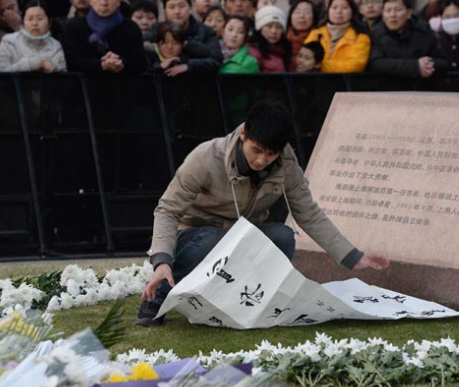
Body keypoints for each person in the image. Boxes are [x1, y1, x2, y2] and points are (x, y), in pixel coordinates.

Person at [136, 100, 390, 326]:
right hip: (197, 235)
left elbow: (308, 213)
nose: (261, 161)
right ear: (244, 134)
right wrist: (161, 261)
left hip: (243, 235)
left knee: (283, 235)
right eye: (256, 150)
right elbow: (167, 210)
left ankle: (259, 302)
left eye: (270, 154)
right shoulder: (206, 158)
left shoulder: (286, 165)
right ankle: (157, 298)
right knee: (211, 239)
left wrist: (350, 255)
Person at [367, 0, 448, 78]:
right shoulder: (376, 34)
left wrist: (427, 65)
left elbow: (443, 62)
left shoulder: (423, 31)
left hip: (420, 88)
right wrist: (414, 66)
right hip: (387, 88)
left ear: (409, 13)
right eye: (388, 10)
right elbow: (376, 63)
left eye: (398, 10)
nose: (392, 15)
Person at [63, 0, 147, 74]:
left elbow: (140, 63)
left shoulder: (131, 28)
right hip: (85, 87)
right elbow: (71, 62)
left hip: (124, 86)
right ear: (91, 1)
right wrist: (101, 65)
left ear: (118, 2)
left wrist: (120, 62)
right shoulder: (74, 27)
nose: (104, 2)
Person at [0, 0, 66, 72]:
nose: (34, 23)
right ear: (23, 22)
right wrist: (29, 64)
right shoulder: (9, 41)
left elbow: (64, 77)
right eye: (30, 19)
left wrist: (54, 68)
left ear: (49, 23)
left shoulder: (55, 46)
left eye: (40, 19)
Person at [304, 0, 371, 73]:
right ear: (328, 11)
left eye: (344, 8)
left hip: (345, 82)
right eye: (334, 7)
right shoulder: (317, 33)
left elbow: (355, 66)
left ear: (352, 11)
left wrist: (320, 65)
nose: (339, 11)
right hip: (315, 81)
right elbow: (305, 59)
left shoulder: (361, 37)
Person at [162, 0, 223, 74]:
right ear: (165, 10)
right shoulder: (157, 31)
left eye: (182, 6)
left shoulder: (206, 31)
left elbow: (216, 60)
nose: (177, 11)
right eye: (172, 7)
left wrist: (189, 65)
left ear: (191, 7)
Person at [248, 5, 291, 72]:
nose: (274, 31)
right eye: (269, 26)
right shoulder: (253, 52)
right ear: (260, 28)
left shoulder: (284, 49)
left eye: (279, 27)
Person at [286, 0, 315, 69]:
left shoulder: (320, 38)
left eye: (306, 12)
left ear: (314, 17)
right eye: (297, 12)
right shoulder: (281, 39)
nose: (301, 16)